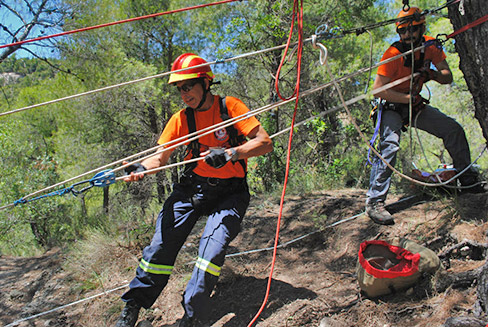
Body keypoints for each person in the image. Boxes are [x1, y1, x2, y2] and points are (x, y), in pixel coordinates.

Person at [114, 53, 273, 327]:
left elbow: (265, 142)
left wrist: (231, 153)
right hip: (194, 189)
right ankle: (133, 306)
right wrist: (140, 169)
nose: (183, 93)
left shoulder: (230, 107)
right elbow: (160, 158)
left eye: (188, 86)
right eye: (179, 88)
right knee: (160, 246)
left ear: (205, 82)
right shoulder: (181, 119)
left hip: (230, 193)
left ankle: (192, 317)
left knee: (210, 253)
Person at [366, 7, 486, 225]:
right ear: (399, 32)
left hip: (415, 104)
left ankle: (467, 180)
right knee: (390, 145)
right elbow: (378, 90)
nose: (408, 35)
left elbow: (447, 77)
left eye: (413, 30)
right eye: (403, 31)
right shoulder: (393, 55)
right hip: (392, 105)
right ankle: (375, 201)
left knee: (452, 129)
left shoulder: (430, 47)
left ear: (422, 28)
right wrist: (406, 99)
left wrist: (430, 74)